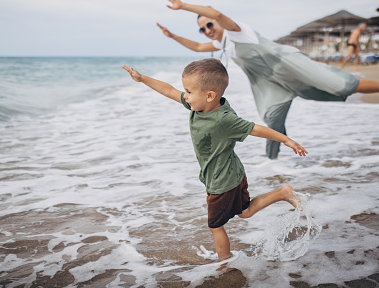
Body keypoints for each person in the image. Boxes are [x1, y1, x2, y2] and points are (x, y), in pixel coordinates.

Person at [157, 0, 379, 159]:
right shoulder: (220, 44)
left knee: (340, 85)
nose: (207, 31)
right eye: (202, 29)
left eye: (208, 25)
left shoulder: (238, 31)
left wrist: (183, 6)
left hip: (288, 66)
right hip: (269, 82)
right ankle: (273, 167)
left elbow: (215, 13)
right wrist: (172, 35)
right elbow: (195, 46)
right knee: (272, 117)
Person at [122, 58, 308, 261]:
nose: (186, 95)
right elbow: (169, 90)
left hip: (222, 181)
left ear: (210, 95)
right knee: (244, 212)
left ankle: (225, 263)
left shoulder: (224, 119)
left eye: (190, 92)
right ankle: (282, 193)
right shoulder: (202, 106)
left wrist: (287, 140)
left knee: (215, 225)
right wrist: (141, 79)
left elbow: (255, 129)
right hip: (233, 172)